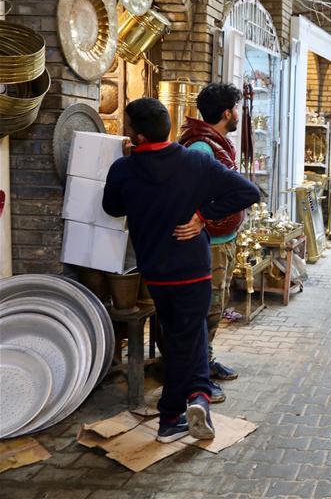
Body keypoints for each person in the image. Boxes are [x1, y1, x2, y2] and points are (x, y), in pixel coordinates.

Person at [103, 98, 260, 444]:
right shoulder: (194, 163)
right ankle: (172, 415)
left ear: (138, 135)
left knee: (184, 337)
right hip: (192, 267)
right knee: (186, 340)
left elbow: (111, 207)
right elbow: (248, 192)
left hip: (155, 272)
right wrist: (203, 215)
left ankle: (198, 396)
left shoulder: (124, 169)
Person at [178, 83, 243, 404]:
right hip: (209, 244)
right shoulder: (202, 148)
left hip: (223, 239)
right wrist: (203, 219)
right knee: (206, 310)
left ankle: (206, 360)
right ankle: (196, 376)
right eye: (236, 109)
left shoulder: (217, 143)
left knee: (215, 308)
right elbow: (187, 193)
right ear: (227, 112)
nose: (238, 115)